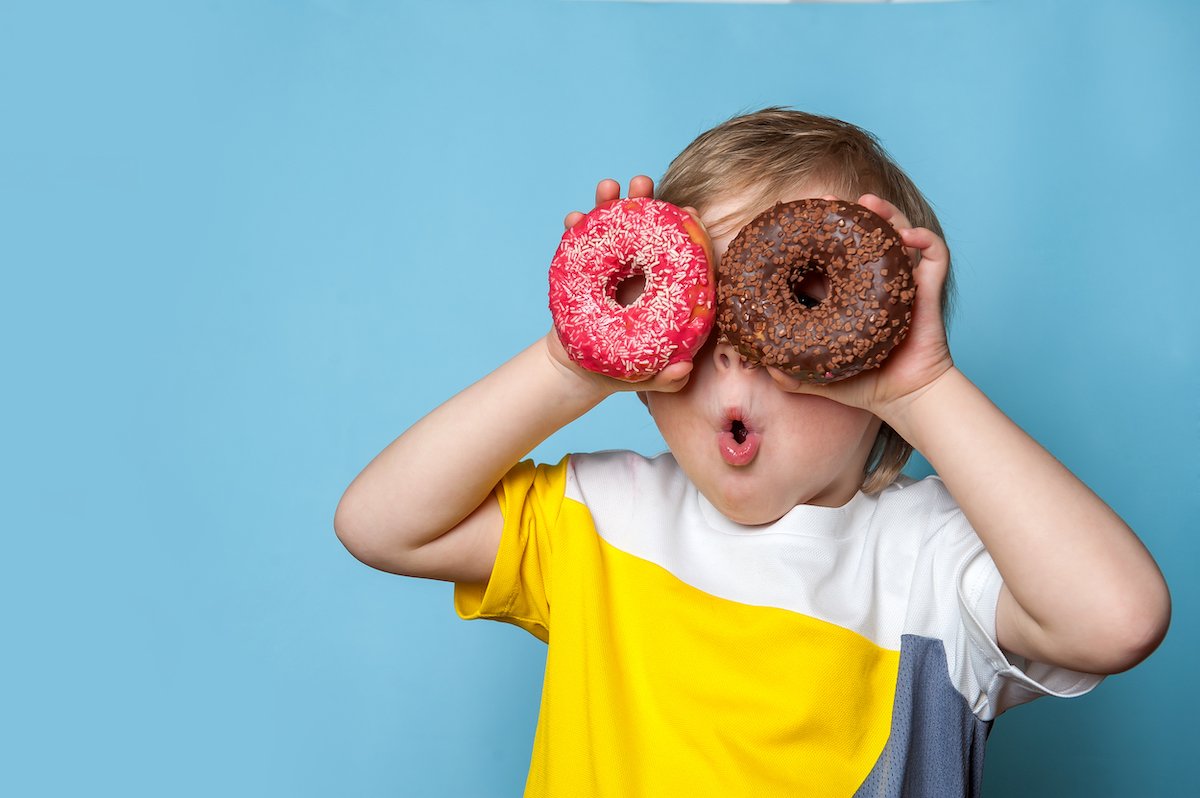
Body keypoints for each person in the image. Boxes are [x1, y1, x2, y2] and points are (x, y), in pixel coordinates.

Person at [333, 107, 1171, 797]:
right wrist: (570, 364)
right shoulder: (601, 521)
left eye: (801, 302)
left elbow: (1118, 620)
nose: (736, 349)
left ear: (874, 339)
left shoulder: (933, 568)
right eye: (699, 311)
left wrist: (924, 390)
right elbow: (381, 525)